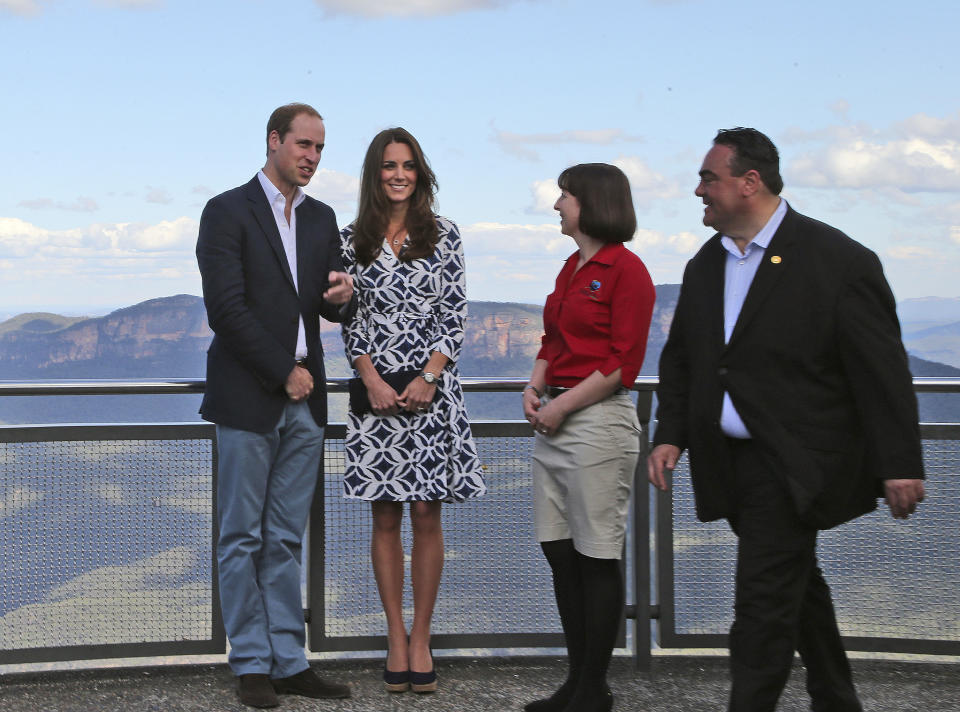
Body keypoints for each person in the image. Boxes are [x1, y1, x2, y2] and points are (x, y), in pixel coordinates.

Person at [648, 127, 926, 712]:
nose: (698, 189)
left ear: (750, 182)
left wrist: (899, 463)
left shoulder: (838, 260)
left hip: (796, 461)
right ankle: (835, 696)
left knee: (761, 606)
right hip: (733, 461)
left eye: (708, 177)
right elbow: (683, 361)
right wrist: (671, 433)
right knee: (794, 585)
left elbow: (882, 372)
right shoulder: (706, 265)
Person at [196, 103, 355, 709]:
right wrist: (282, 372)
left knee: (285, 537)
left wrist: (344, 296)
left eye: (320, 148)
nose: (312, 157)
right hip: (249, 398)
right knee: (241, 535)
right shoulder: (226, 210)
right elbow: (226, 309)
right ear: (273, 141)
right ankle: (252, 664)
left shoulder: (323, 219)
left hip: (304, 402)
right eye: (303, 145)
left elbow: (328, 305)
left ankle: (290, 661)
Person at [340, 127, 486, 694]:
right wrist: (371, 377)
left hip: (432, 391)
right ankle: (394, 635)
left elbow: (455, 311)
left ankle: (421, 637)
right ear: (374, 174)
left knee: (427, 512)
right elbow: (349, 318)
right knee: (384, 517)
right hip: (375, 393)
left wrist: (430, 377)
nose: (398, 174)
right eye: (387, 165)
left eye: (407, 165)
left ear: (420, 173)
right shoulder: (352, 238)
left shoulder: (444, 234)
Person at [522, 163, 656, 712]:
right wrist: (535, 385)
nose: (557, 205)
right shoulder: (572, 267)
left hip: (596, 425)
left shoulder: (627, 271)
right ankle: (578, 683)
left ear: (591, 202)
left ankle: (592, 689)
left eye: (565, 196)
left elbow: (624, 364)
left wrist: (562, 406)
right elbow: (553, 337)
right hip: (554, 417)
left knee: (597, 557)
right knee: (560, 553)